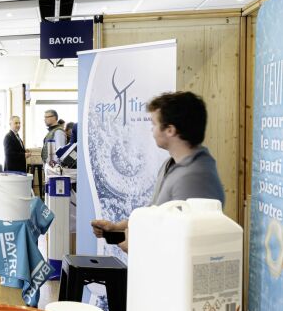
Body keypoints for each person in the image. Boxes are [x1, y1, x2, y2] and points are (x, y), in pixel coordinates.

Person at [92, 91, 225, 253]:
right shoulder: (171, 164)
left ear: (170, 130)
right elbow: (154, 213)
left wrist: (138, 247)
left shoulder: (196, 178)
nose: (152, 131)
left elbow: (188, 243)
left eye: (154, 125)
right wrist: (116, 228)